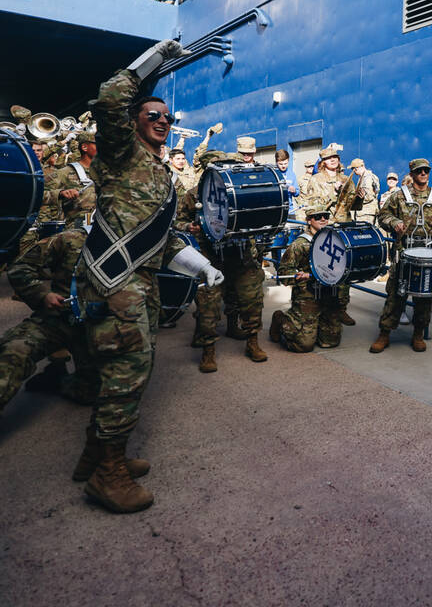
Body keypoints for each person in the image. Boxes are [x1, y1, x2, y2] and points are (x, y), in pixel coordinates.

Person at [76, 39, 224, 513]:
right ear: (135, 123)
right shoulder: (122, 153)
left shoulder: (161, 174)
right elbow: (109, 98)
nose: (162, 121)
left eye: (166, 117)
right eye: (152, 115)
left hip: (142, 283)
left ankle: (97, 452)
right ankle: (108, 474)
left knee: (130, 370)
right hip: (115, 282)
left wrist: (199, 264)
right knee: (126, 372)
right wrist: (153, 60)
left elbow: (162, 236)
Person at [176, 150, 269, 371]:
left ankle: (251, 341)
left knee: (251, 297)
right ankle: (208, 350)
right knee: (208, 302)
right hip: (210, 255)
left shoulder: (244, 191)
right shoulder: (194, 194)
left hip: (240, 253)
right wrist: (188, 227)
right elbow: (178, 220)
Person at [0, 227, 100, 419]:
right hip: (57, 318)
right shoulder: (69, 238)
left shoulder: (126, 245)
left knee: (89, 392)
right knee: (14, 353)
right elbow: (20, 267)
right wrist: (42, 295)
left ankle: (58, 379)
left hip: (94, 327)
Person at [373, 158, 432, 353]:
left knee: (424, 297)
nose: (423, 174)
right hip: (403, 253)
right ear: (412, 174)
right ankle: (385, 333)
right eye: (419, 171)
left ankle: (418, 334)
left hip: (427, 254)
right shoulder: (399, 196)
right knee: (396, 294)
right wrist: (394, 222)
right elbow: (382, 215)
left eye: (426, 171)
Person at [269, 208, 343, 352]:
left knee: (330, 341)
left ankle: (318, 323)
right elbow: (284, 271)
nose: (323, 219)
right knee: (304, 345)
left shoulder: (334, 240)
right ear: (309, 220)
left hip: (328, 294)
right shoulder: (300, 244)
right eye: (317, 216)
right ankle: (281, 320)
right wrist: (299, 277)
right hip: (308, 294)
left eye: (325, 216)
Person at [300, 145, 355, 324]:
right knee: (326, 267)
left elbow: (353, 205)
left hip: (344, 227)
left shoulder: (347, 178)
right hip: (326, 228)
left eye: (335, 157)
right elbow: (312, 205)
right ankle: (324, 307)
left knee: (344, 269)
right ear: (322, 162)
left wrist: (359, 196)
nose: (333, 160)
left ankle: (341, 308)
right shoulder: (315, 180)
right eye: (329, 158)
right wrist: (334, 193)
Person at [349, 158, 380, 224]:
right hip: (365, 212)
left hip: (365, 214)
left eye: (354, 169)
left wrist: (354, 199)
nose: (354, 171)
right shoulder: (366, 177)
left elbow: (368, 196)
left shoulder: (367, 177)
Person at [275, 149, 300, 216]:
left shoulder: (291, 174)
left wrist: (294, 190)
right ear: (276, 162)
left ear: (288, 161)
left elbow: (297, 192)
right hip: (277, 211)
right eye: (280, 164)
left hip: (290, 211)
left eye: (285, 163)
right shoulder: (274, 174)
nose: (283, 166)